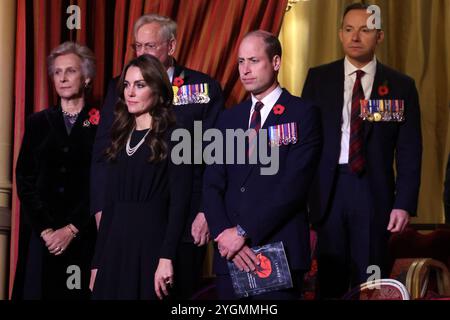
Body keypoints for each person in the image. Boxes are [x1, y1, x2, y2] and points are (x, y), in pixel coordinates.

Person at [90, 14, 224, 299]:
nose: (142, 54)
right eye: (137, 47)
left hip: (182, 219)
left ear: (170, 46)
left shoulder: (203, 88)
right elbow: (103, 158)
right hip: (122, 224)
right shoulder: (119, 89)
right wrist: (101, 213)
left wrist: (206, 211)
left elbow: (215, 157)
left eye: (149, 46)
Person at [302, 2, 422, 299]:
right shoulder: (319, 78)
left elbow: (409, 150)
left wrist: (403, 203)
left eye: (365, 30)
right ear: (340, 34)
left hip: (373, 192)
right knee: (329, 279)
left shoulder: (400, 86)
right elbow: (306, 143)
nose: (355, 37)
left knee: (371, 279)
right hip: (328, 192)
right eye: (348, 29)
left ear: (379, 36)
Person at [203, 30, 322, 300]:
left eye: (254, 61)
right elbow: (211, 183)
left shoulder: (303, 114)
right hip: (229, 254)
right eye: (241, 62)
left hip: (277, 251)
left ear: (276, 62)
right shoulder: (228, 119)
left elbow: (293, 187)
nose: (245, 70)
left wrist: (244, 232)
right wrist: (224, 234)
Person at [90, 54, 192, 300]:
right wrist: (97, 262)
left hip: (152, 245)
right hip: (115, 246)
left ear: (157, 89)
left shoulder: (177, 135)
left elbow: (181, 203)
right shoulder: (119, 135)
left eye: (140, 85)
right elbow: (110, 204)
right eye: (126, 85)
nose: (130, 93)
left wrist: (167, 257)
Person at [13, 42, 98, 299]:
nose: (62, 78)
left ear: (86, 78)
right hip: (41, 238)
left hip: (83, 237)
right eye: (57, 72)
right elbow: (24, 178)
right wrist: (47, 230)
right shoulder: (37, 122)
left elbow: (102, 184)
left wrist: (71, 229)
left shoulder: (103, 123)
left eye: (70, 71)